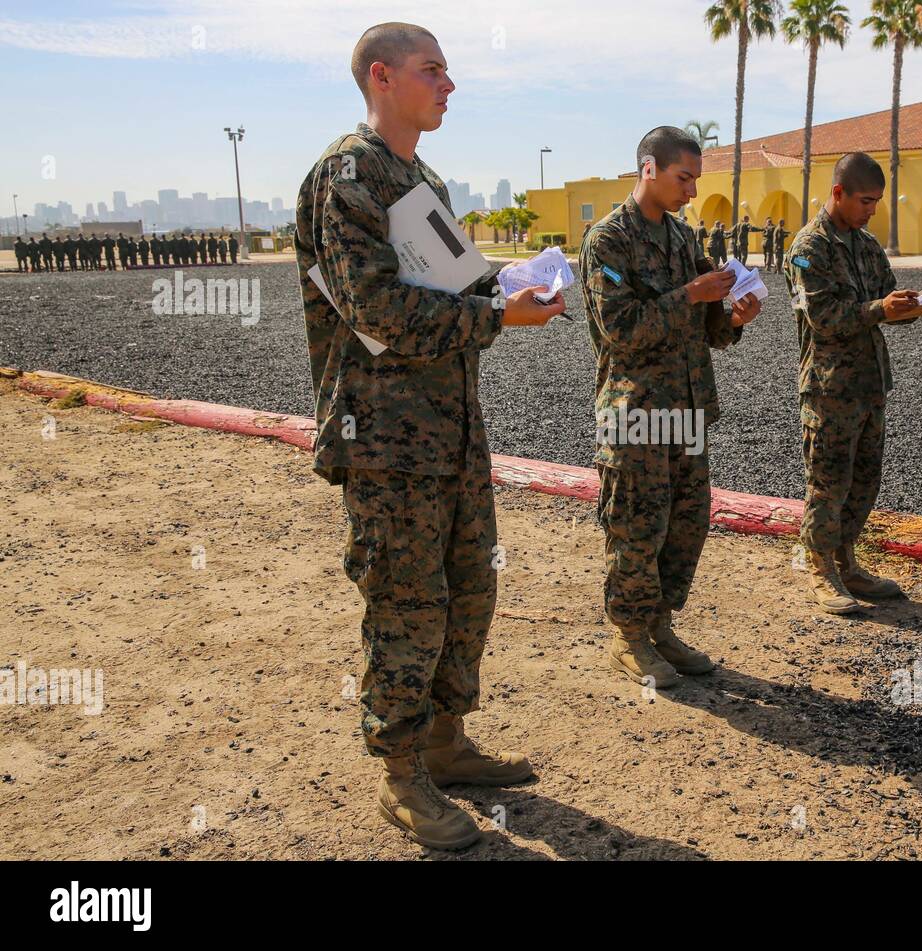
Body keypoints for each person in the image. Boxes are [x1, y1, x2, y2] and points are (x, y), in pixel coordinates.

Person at [297, 21, 566, 853]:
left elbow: (458, 279)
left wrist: (519, 284)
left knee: (468, 590)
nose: (449, 85)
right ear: (382, 77)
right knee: (406, 603)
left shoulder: (427, 180)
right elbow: (377, 309)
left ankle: (446, 738)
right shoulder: (348, 177)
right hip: (384, 435)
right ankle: (402, 772)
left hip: (451, 429)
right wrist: (494, 314)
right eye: (433, 70)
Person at [579, 125, 761, 690]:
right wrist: (691, 295)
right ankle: (627, 636)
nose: (690, 191)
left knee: (686, 521)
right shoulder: (608, 240)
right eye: (684, 178)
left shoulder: (683, 240)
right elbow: (620, 328)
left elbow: (704, 327)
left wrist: (731, 316)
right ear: (649, 169)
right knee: (637, 523)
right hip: (634, 412)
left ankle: (660, 625)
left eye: (695, 181)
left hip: (687, 408)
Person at [785, 152, 922, 614]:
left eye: (876, 201)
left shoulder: (866, 245)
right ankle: (819, 566)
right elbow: (823, 318)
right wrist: (881, 309)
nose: (872, 210)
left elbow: (885, 303)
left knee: (864, 482)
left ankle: (847, 561)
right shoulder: (808, 248)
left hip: (870, 383)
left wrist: (919, 307)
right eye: (865, 200)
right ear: (838, 192)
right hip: (829, 387)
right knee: (829, 482)